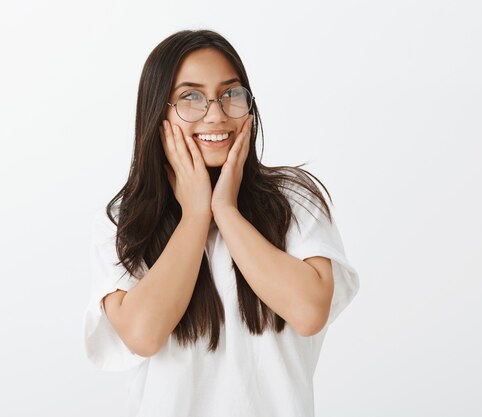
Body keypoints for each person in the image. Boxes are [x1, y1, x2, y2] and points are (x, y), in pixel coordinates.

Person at [82, 29, 359, 417]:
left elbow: (309, 311)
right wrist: (196, 215)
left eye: (231, 93)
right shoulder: (121, 220)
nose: (216, 113)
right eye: (190, 97)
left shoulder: (293, 200)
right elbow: (142, 334)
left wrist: (225, 211)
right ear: (157, 114)